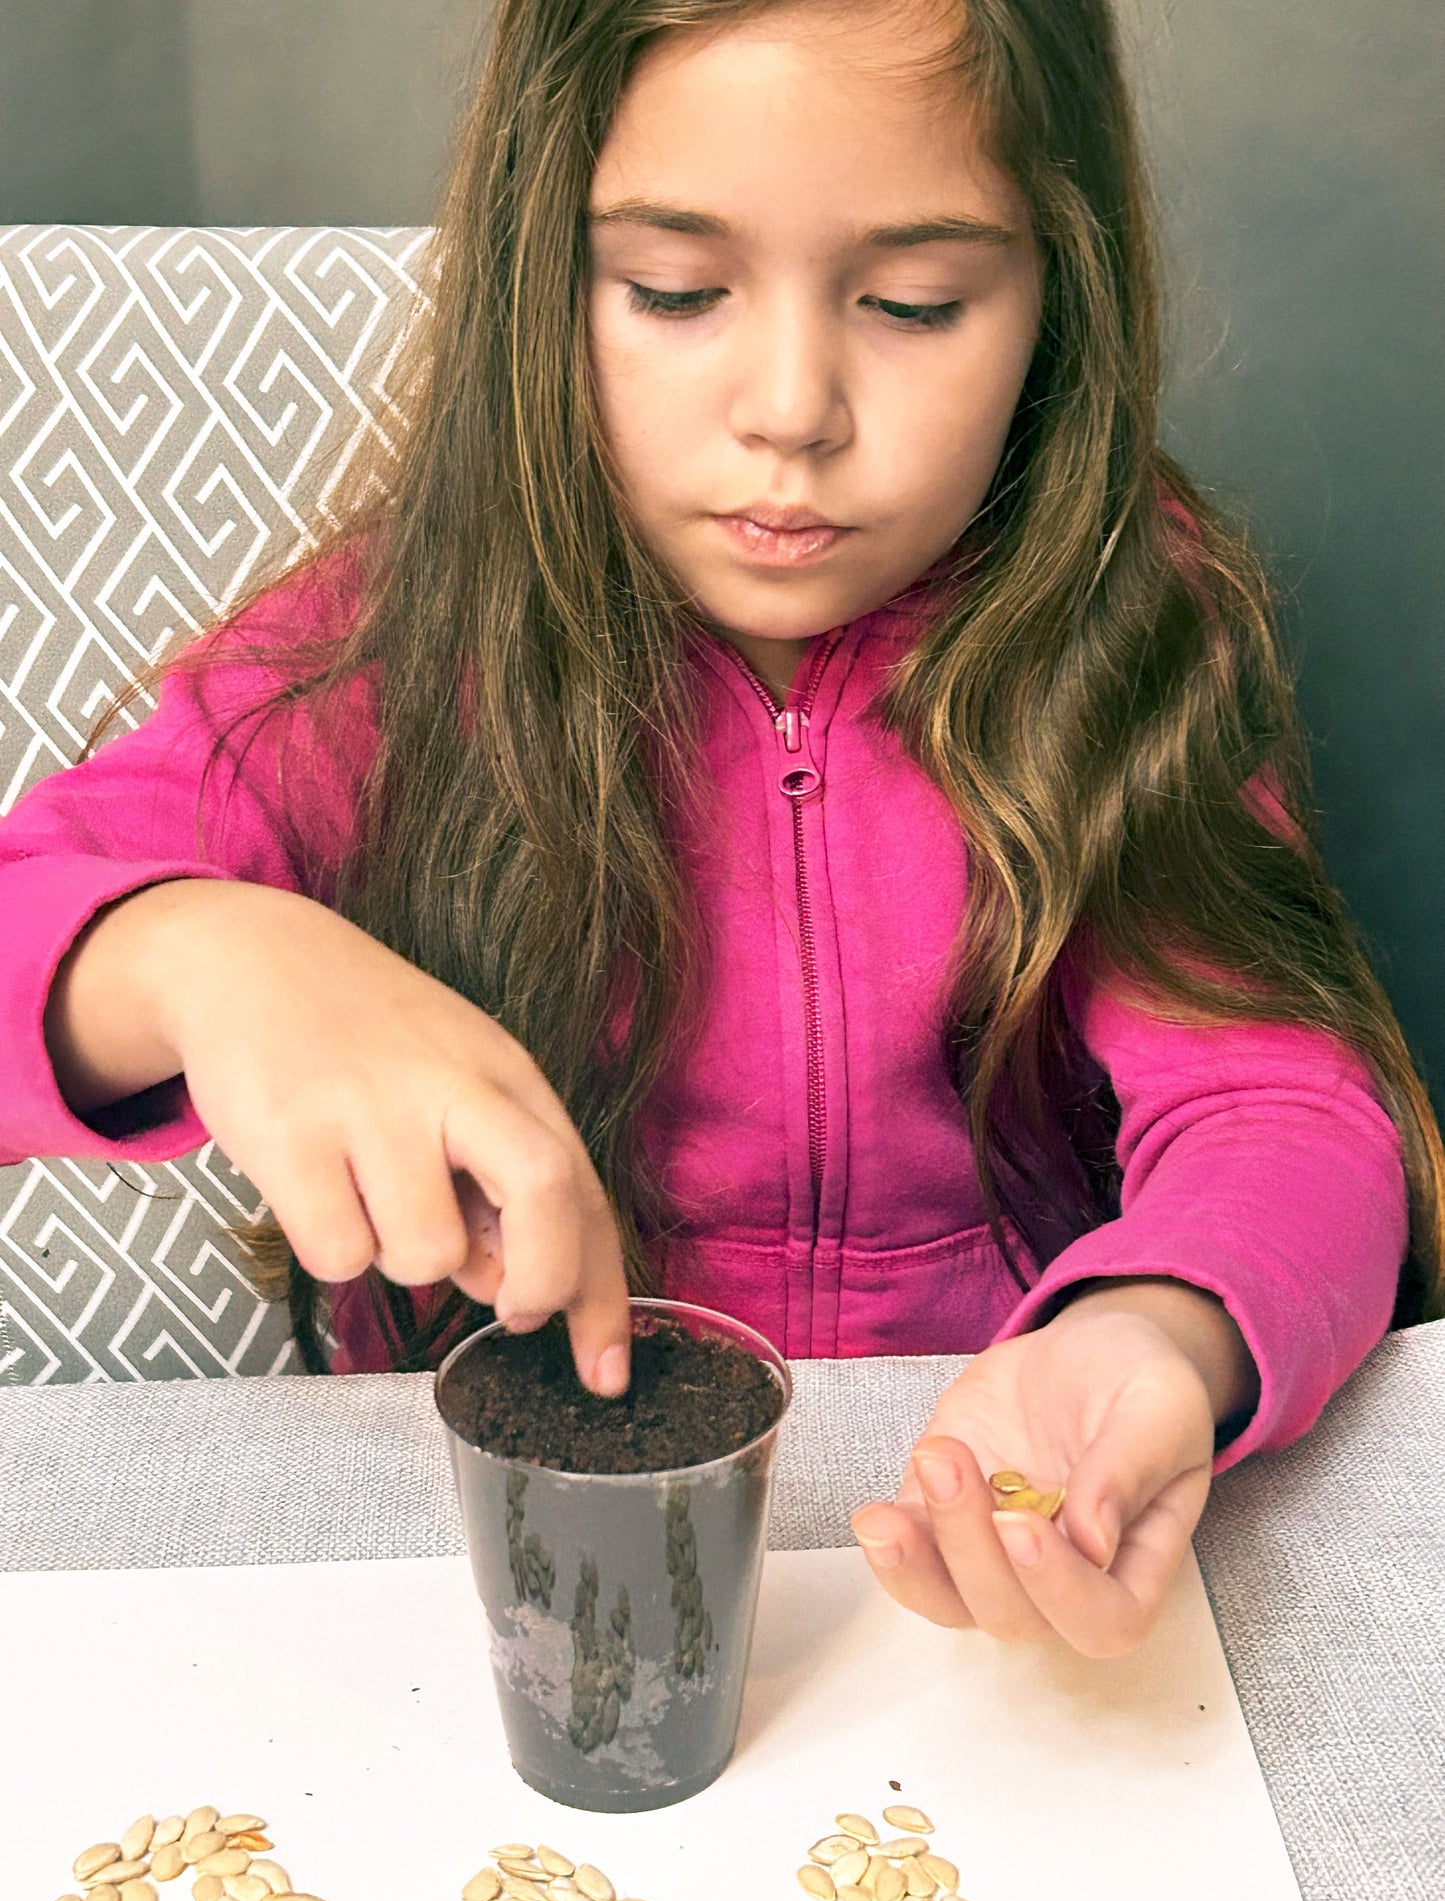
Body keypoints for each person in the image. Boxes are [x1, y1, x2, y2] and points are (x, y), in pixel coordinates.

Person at [1, 0, 1439, 1661]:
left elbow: (1283, 1101)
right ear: (545, 277)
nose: (790, 409)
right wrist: (195, 955)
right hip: (488, 1574)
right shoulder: (388, 649)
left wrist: (1162, 1326)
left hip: (957, 1539)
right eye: (675, 292)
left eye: (915, 302)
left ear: (1058, 291)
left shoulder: (1127, 627)